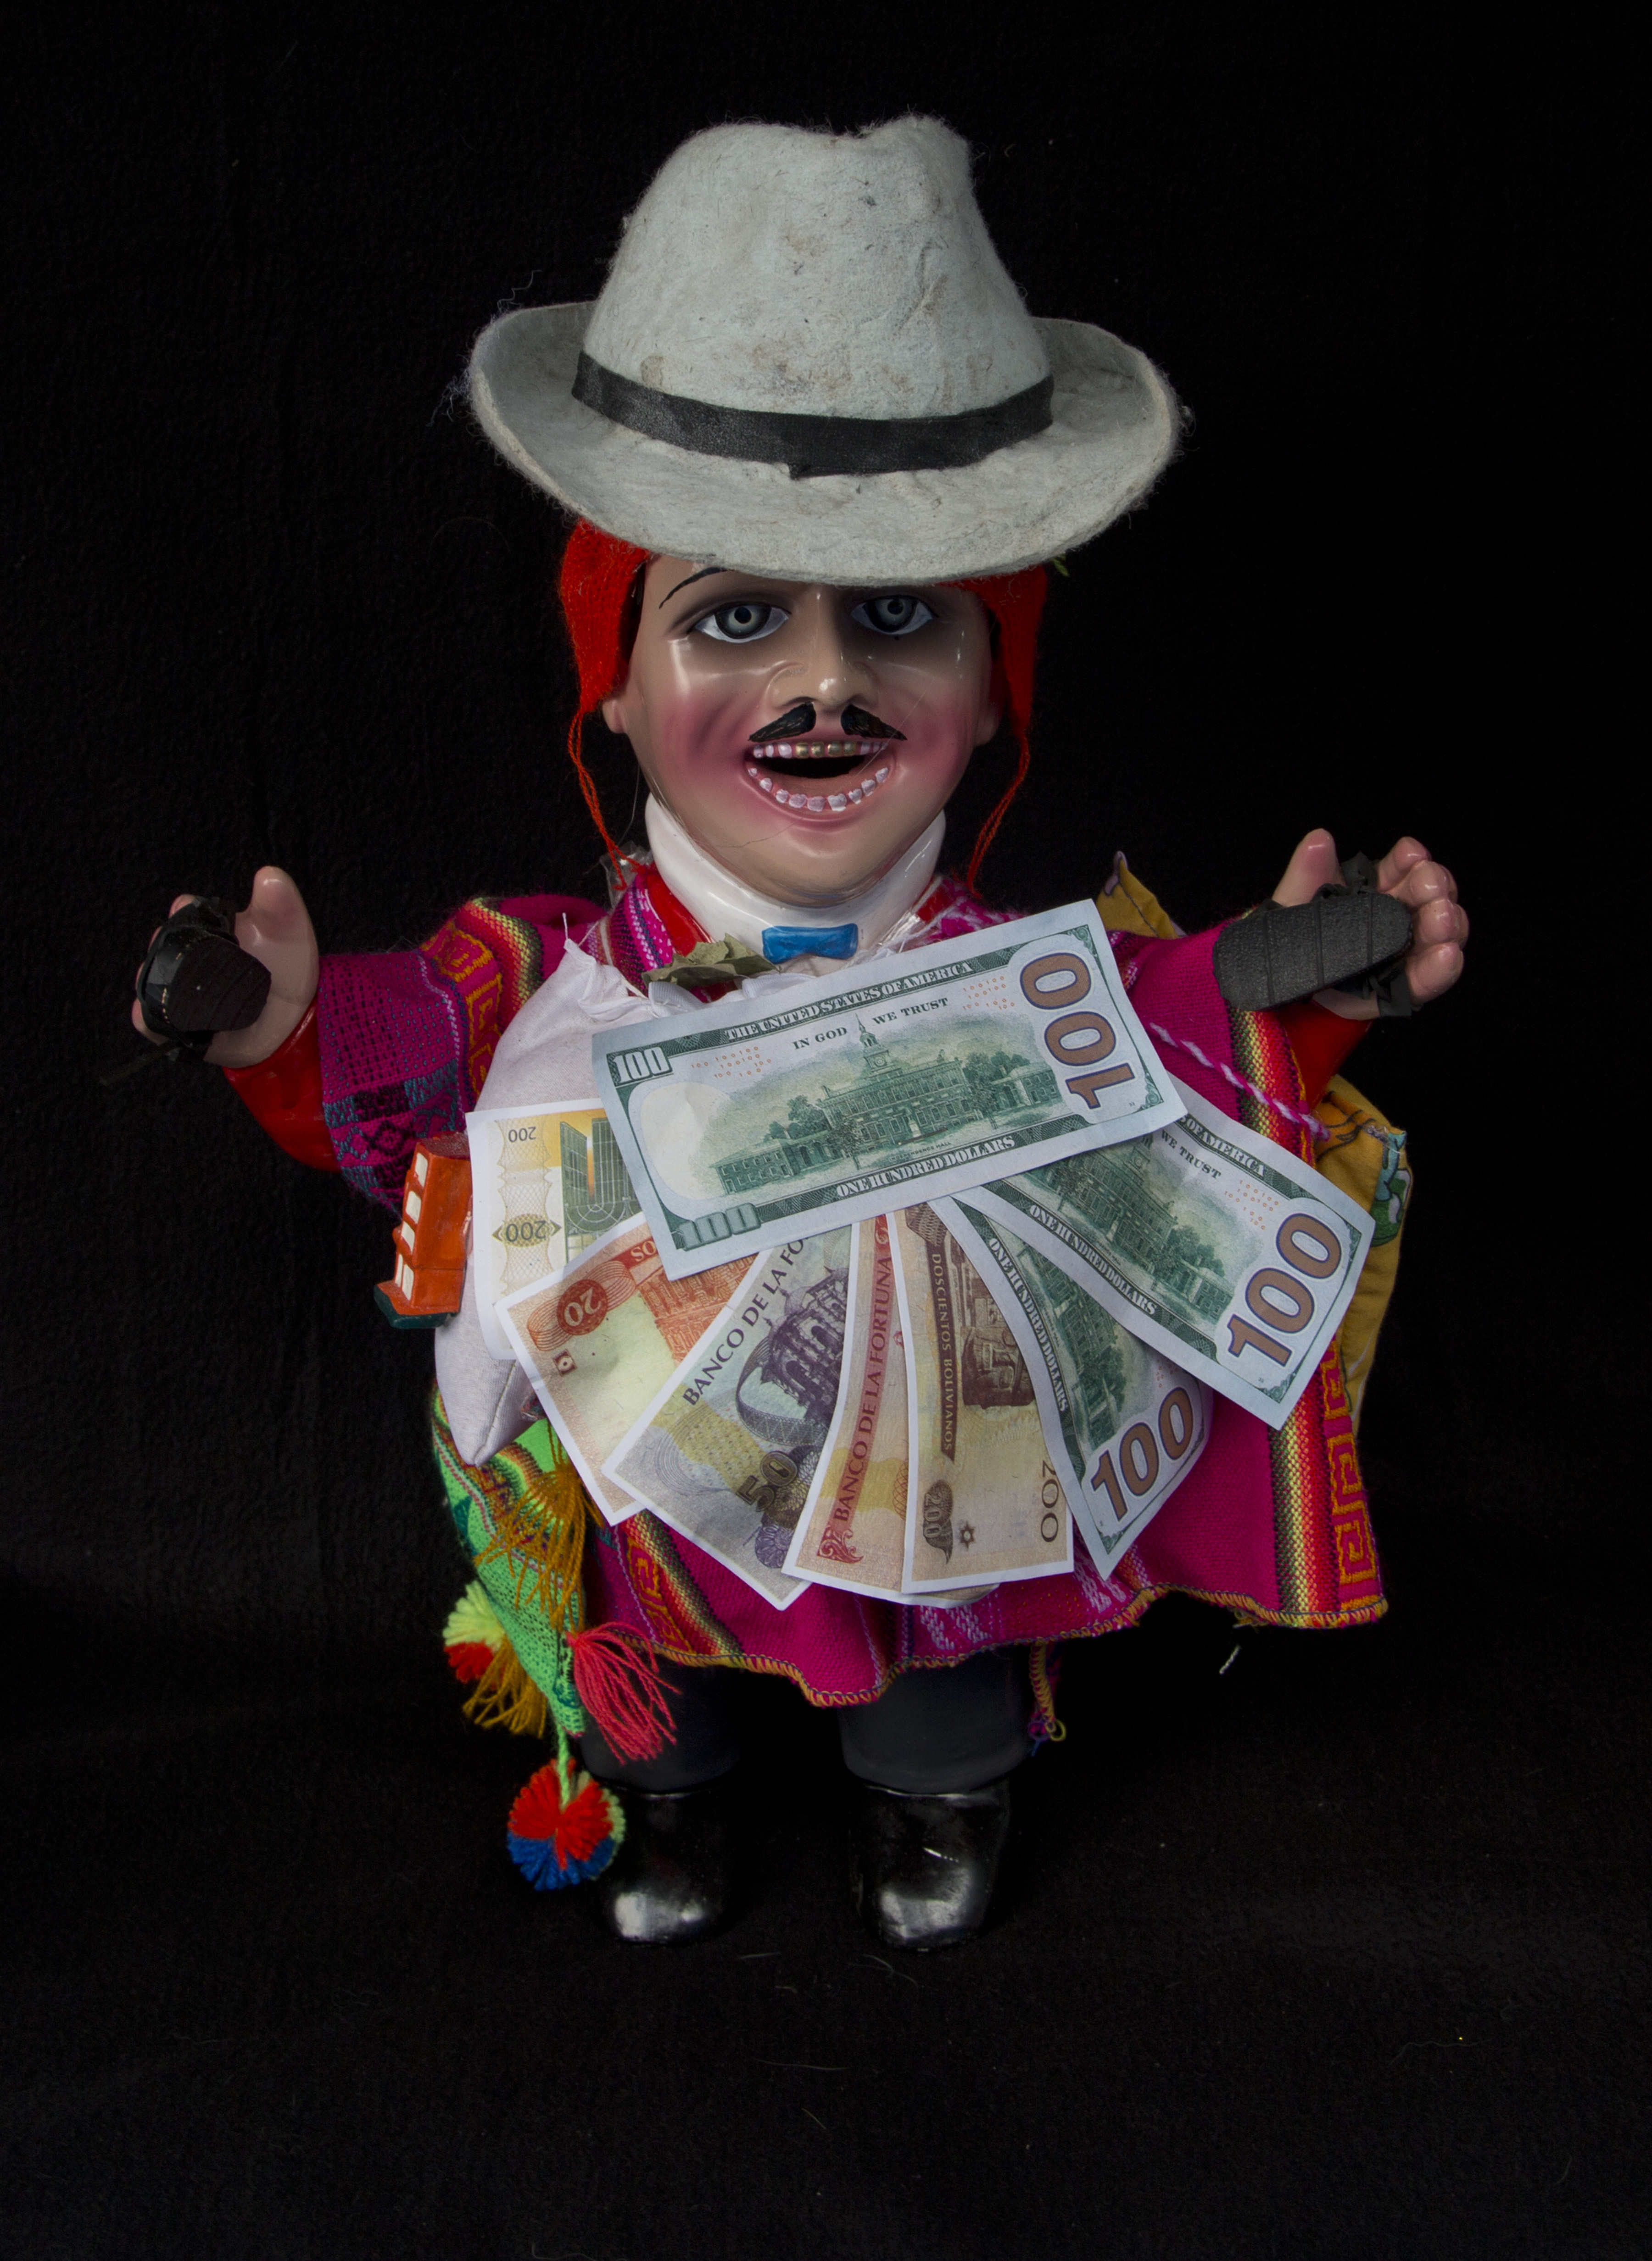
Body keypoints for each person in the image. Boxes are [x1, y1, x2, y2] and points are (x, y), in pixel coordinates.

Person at [133, 117, 1468, 1950]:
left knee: (944, 1617)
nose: (824, 683)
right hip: (648, 1497)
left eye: (902, 620)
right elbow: (394, 1052)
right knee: (646, 1625)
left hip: (941, 1473)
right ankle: (669, 1796)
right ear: (614, 681)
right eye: (738, 617)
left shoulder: (1023, 977)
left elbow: (1163, 1057)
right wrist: (276, 1020)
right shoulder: (553, 975)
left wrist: (1299, 988)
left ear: (994, 691)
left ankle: (938, 1783)